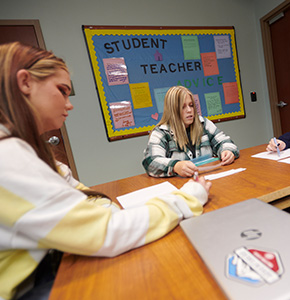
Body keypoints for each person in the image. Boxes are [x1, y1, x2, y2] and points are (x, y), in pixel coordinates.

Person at [0, 42, 212, 300]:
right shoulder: (9, 159)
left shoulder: (28, 152)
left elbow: (89, 199)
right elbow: (108, 229)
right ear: (25, 83)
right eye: (62, 91)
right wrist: (187, 196)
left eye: (192, 106)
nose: (70, 104)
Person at [142, 85, 239, 178]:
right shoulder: (161, 132)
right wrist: (175, 166)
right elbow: (151, 161)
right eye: (183, 107)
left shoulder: (203, 124)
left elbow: (225, 142)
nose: (189, 110)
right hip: (180, 186)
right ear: (173, 110)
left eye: (191, 105)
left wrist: (228, 151)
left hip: (207, 178)